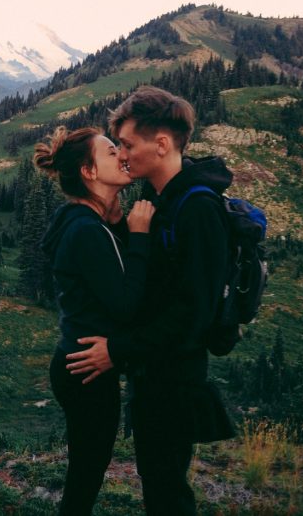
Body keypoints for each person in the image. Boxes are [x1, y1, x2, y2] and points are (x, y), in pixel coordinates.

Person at [66, 86, 235, 516]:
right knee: (159, 485)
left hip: (174, 381)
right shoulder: (163, 202)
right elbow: (157, 288)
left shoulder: (197, 210)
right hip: (154, 375)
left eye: (127, 144)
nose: (122, 155)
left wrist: (118, 351)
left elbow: (192, 314)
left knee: (167, 492)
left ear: (161, 145)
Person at [34, 125, 155, 516]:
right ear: (89, 172)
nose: (121, 154)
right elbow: (123, 304)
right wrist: (138, 236)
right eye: (109, 151)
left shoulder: (85, 222)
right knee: (86, 476)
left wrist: (119, 224)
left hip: (76, 360)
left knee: (86, 469)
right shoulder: (87, 230)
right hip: (88, 369)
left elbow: (105, 277)